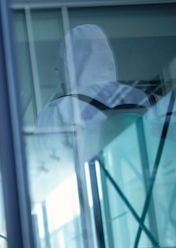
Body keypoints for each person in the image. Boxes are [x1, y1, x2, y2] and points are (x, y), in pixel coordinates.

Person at [29, 24, 152, 203]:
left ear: (67, 64)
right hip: (145, 196)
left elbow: (47, 174)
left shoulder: (58, 109)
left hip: (95, 204)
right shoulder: (141, 98)